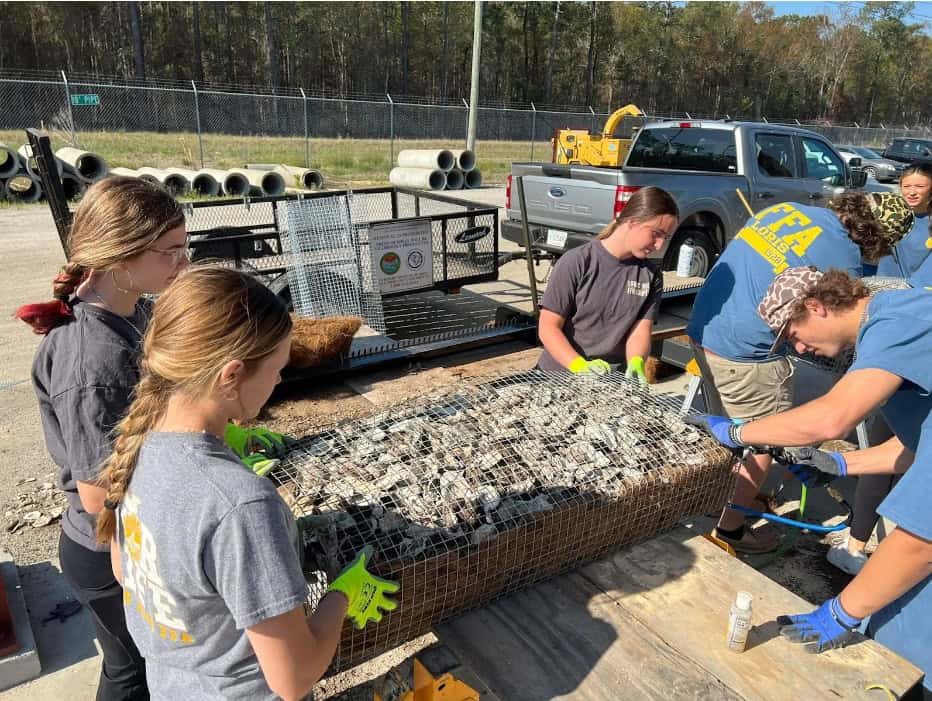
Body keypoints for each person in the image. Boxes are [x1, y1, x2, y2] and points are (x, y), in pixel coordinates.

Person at [15, 177, 288, 700]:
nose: (182, 264)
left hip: (140, 525)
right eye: (171, 252)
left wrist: (224, 435)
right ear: (121, 259)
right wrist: (202, 485)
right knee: (134, 670)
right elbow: (100, 496)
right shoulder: (93, 360)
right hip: (108, 544)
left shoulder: (131, 309)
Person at [94, 267, 399, 700]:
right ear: (232, 375)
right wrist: (342, 595)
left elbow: (126, 572)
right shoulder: (240, 505)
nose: (278, 380)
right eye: (277, 368)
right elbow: (293, 679)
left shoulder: (137, 445)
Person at [687, 266, 932, 694]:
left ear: (817, 306)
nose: (800, 348)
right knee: (894, 621)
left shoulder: (895, 324)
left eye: (794, 334)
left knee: (899, 649)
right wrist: (836, 467)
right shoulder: (895, 320)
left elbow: (833, 418)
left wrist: (738, 431)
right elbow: (916, 446)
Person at [685, 192, 913, 554]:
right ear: (877, 239)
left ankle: (727, 496)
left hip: (704, 326)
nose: (801, 348)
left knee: (733, 428)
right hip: (747, 352)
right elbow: (831, 416)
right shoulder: (844, 260)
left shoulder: (787, 209)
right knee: (762, 443)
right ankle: (730, 527)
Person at [831, 165, 931, 575]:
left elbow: (916, 291)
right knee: (887, 439)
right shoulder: (895, 218)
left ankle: (876, 545)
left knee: (900, 444)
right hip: (883, 326)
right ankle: (856, 541)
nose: (911, 192)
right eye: (905, 185)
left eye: (919, 186)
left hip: (905, 338)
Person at [536, 185, 679, 384]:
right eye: (656, 233)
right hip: (558, 377)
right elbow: (548, 327)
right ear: (632, 221)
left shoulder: (650, 275)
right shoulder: (578, 261)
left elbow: (640, 330)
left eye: (665, 237)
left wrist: (637, 362)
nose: (659, 245)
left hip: (609, 381)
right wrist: (579, 366)